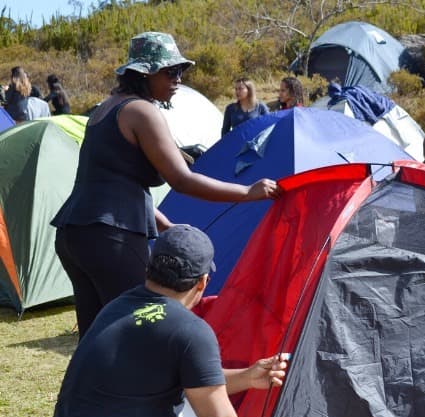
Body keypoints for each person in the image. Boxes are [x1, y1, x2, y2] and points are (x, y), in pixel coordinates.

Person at [49, 224, 289, 417]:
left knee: (197, 405)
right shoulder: (189, 330)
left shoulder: (121, 305)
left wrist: (246, 377)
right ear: (203, 282)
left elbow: (199, 387)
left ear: (150, 268)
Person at [51, 31, 281, 338]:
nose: (178, 79)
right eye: (170, 71)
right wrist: (248, 192)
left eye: (181, 71)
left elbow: (118, 182)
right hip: (110, 236)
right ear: (145, 73)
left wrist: (167, 226)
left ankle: (84, 387)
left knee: (96, 338)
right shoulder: (141, 111)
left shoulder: (107, 109)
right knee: (139, 331)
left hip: (75, 234)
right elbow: (182, 180)